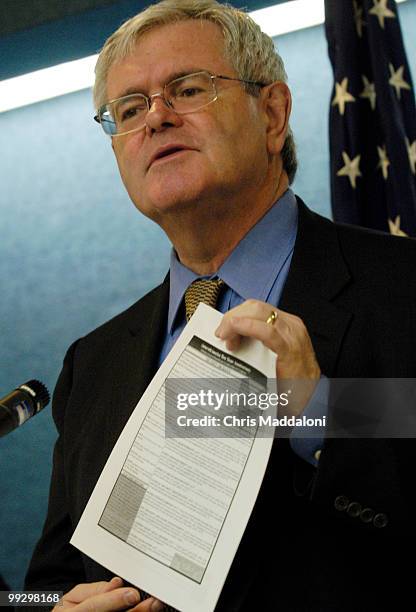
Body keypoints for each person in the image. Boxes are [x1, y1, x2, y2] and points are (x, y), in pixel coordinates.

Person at [25, 0, 416, 610]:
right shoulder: (91, 366)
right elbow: (48, 583)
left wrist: (318, 413)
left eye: (186, 89)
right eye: (129, 109)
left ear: (273, 113)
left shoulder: (402, 288)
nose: (155, 120)